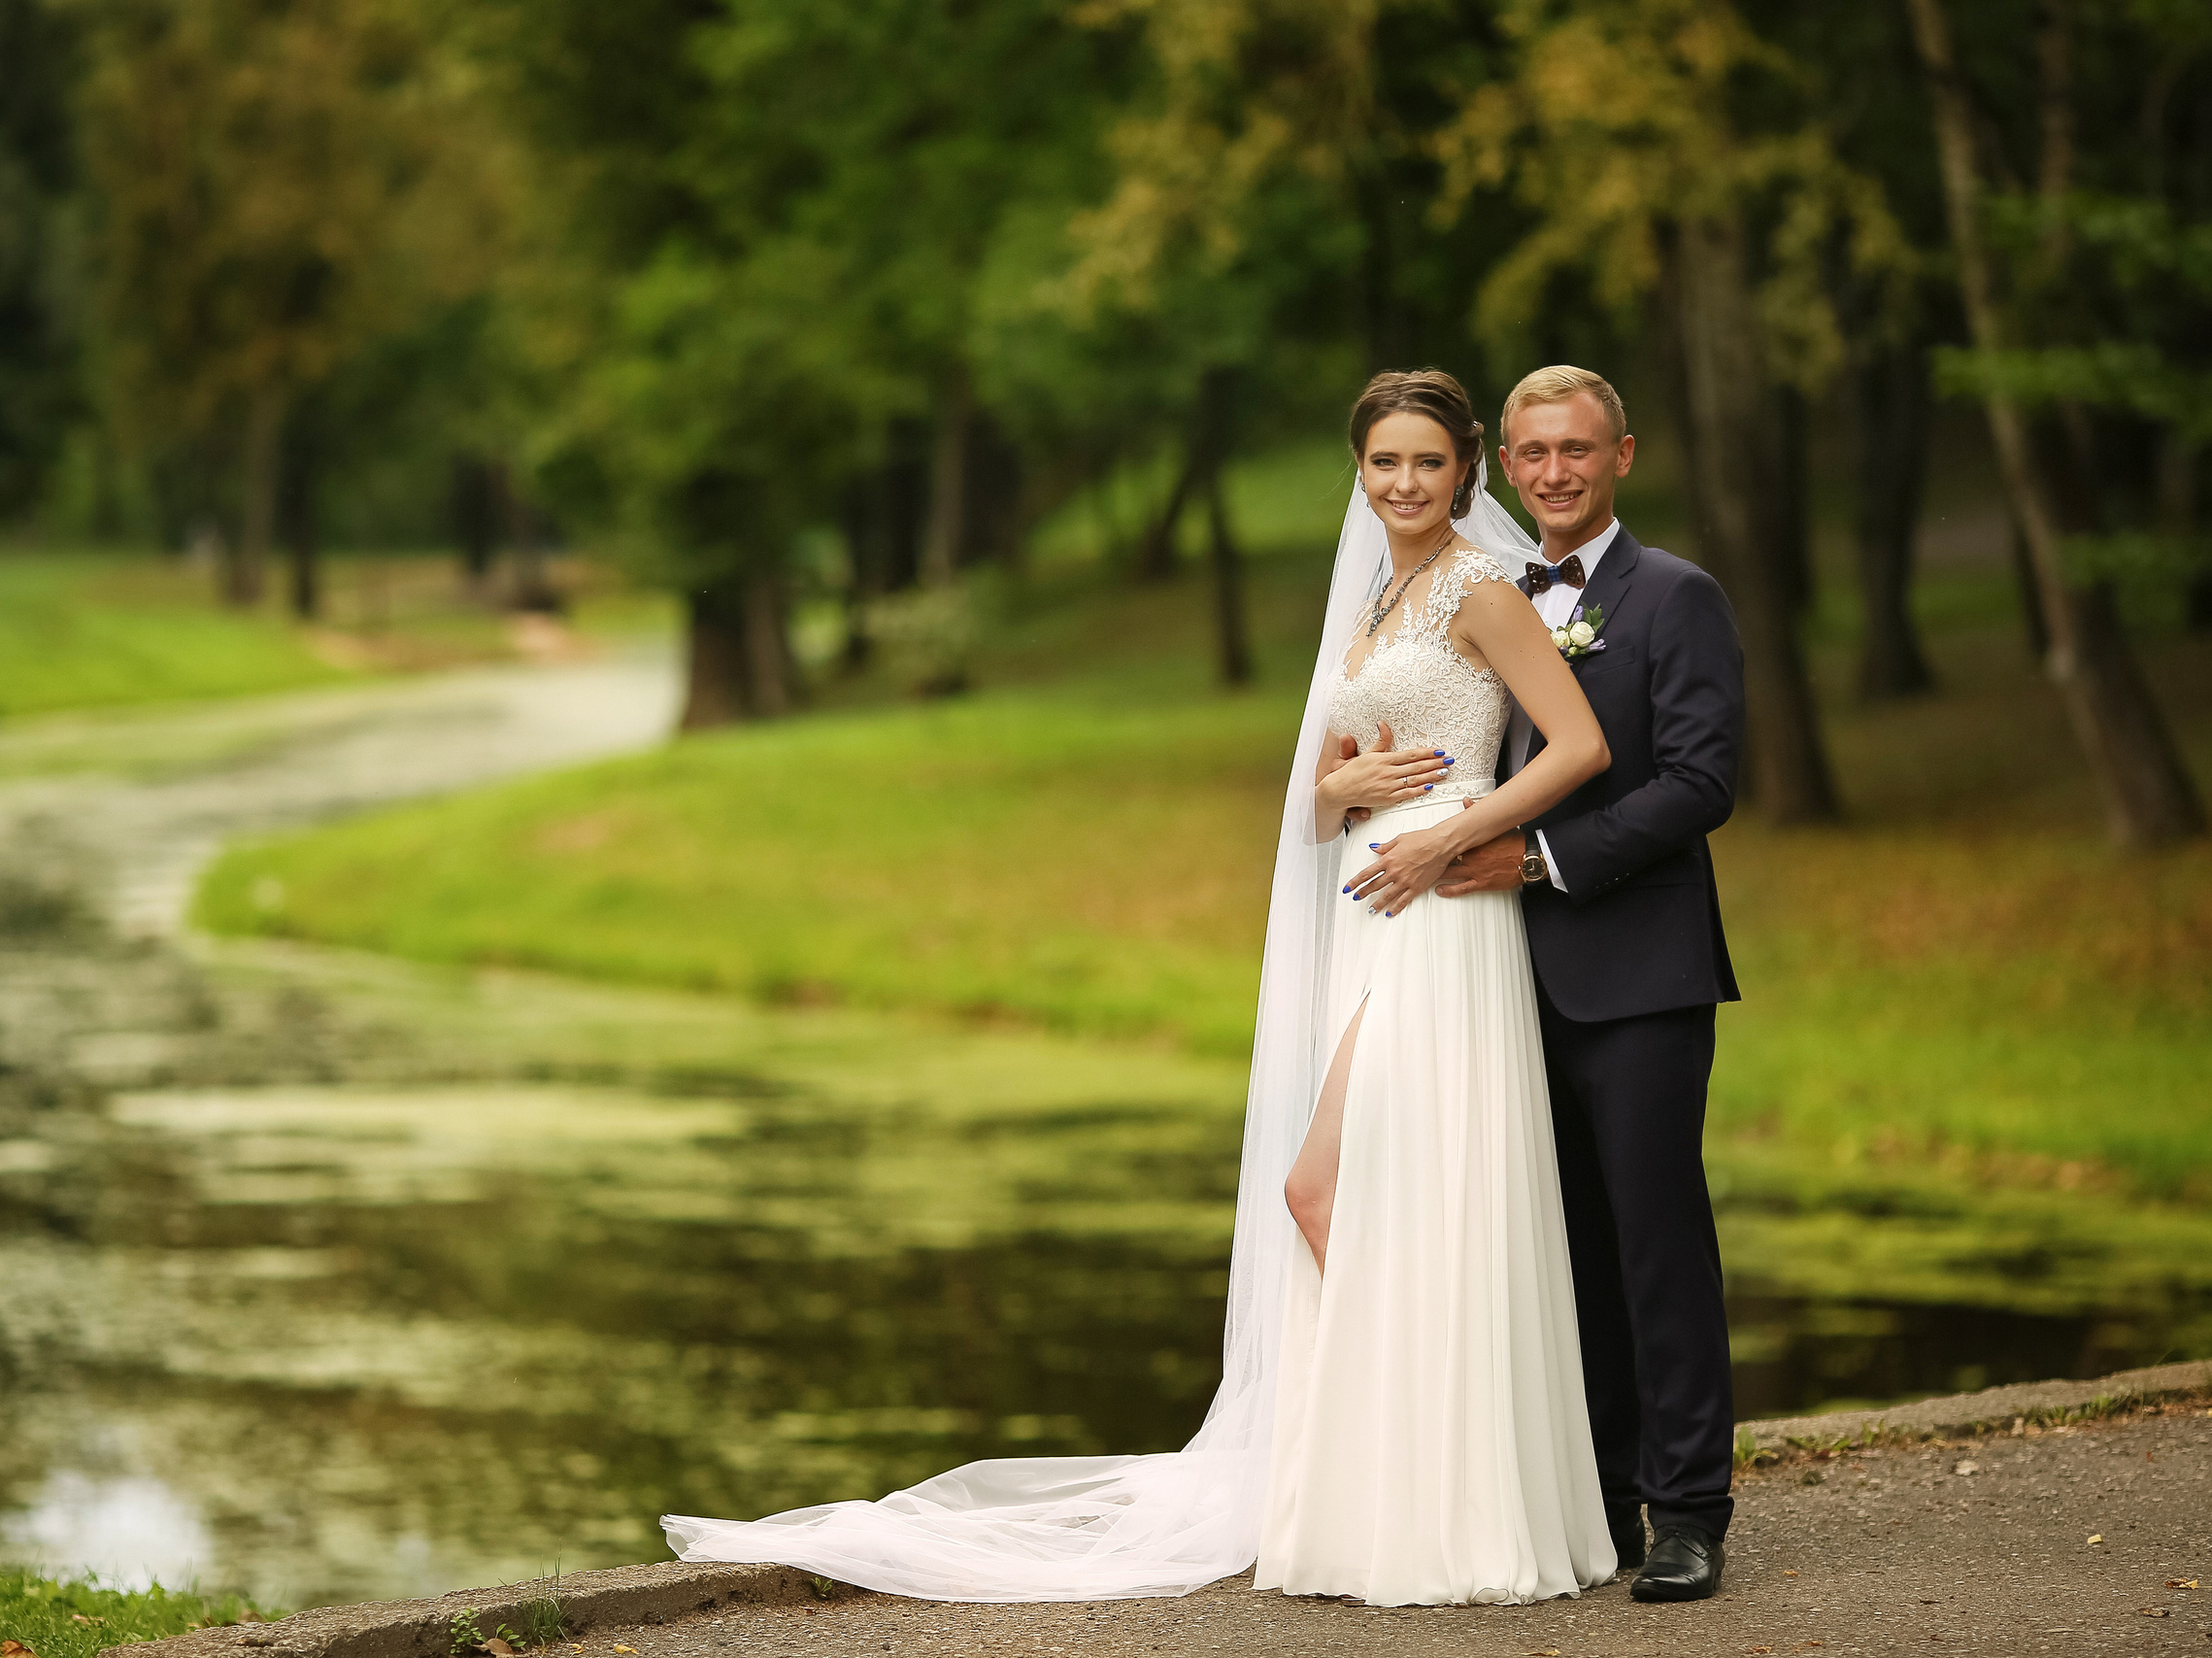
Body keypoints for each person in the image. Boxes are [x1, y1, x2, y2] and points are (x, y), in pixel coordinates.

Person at [657, 367, 1700, 1609]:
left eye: (1427, 463)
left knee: (1340, 1188)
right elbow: (1316, 794)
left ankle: (1453, 1495)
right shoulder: (1378, 599)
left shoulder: (1480, 588)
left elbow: (1579, 747)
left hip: (1441, 913)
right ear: (1358, 475)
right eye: (1382, 465)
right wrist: (1343, 798)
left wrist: (1452, 833)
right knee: (1372, 1193)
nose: (1404, 484)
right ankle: (1400, 1487)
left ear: (1466, 471)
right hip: (1377, 909)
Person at [1356, 364, 1745, 1602]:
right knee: (1547, 1244)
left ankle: (1686, 1512)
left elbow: (1698, 783)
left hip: (1634, 969)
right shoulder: (1470, 588)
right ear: (1503, 466)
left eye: (1576, 450)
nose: (1553, 472)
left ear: (1620, 455)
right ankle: (1593, 1492)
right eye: (1532, 453)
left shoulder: (1675, 596)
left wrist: (1534, 854)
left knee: (1653, 1241)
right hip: (1487, 979)